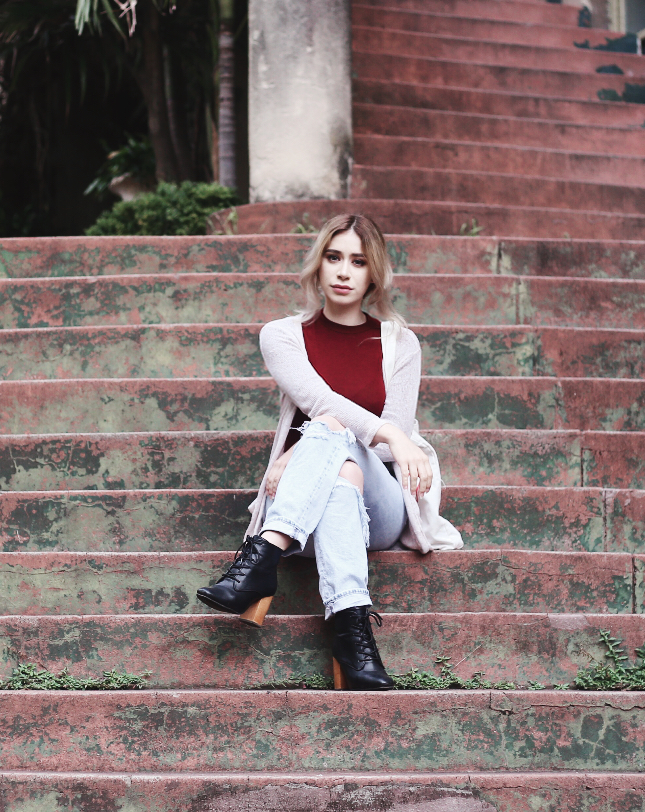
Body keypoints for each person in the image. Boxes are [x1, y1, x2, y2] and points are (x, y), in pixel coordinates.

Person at [197, 213, 463, 689]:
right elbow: (323, 402)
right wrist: (386, 435)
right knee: (337, 458)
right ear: (317, 266)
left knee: (330, 428)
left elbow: (380, 444)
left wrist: (302, 450)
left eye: (358, 261)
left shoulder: (400, 343)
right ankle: (352, 631)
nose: (344, 272)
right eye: (333, 257)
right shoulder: (281, 335)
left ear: (374, 273)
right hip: (315, 509)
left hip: (379, 510)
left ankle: (261, 559)